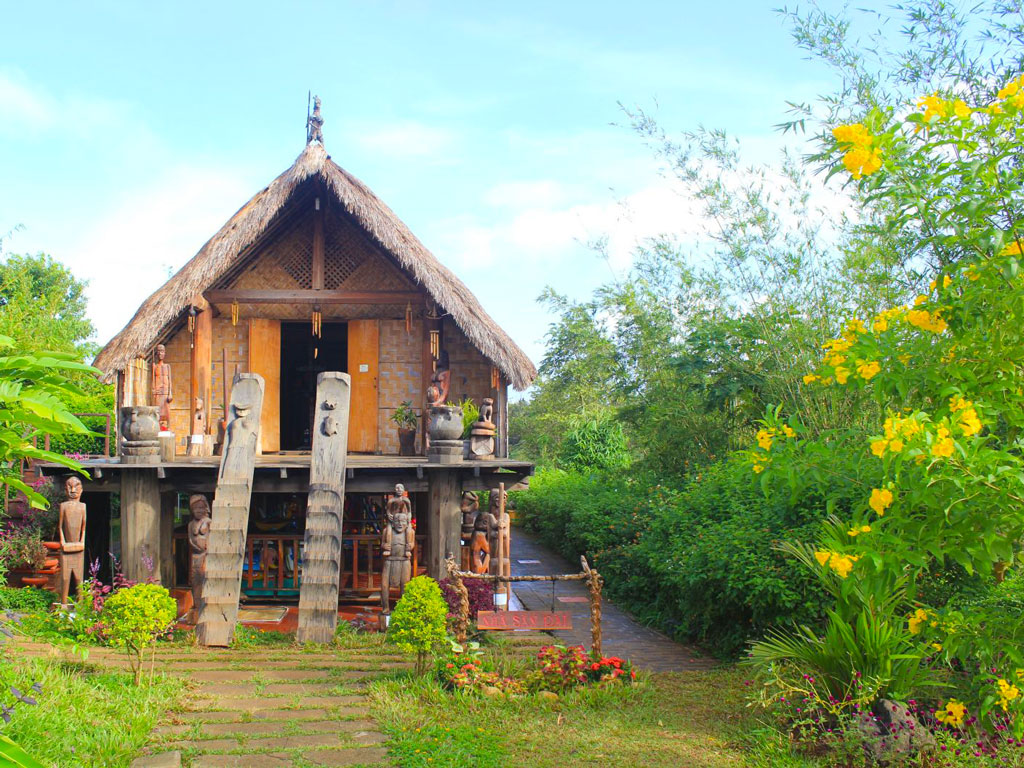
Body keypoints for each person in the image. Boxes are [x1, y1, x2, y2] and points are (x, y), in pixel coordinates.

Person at [380, 484, 414, 612]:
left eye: (402, 523)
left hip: (404, 561)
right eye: (397, 523)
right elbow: (383, 544)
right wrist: (385, 545)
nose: (400, 525)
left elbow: (409, 510)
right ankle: (386, 607)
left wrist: (410, 546)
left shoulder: (409, 532)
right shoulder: (387, 530)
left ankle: (403, 608)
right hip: (389, 561)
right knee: (384, 585)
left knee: (405, 585)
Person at [58, 476, 86, 605]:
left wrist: (82, 541)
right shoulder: (63, 506)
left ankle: (80, 604)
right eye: (69, 486)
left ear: (81, 489)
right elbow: (60, 526)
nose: (73, 490)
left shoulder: (83, 507)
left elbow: (83, 528)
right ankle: (63, 603)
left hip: (78, 548)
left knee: (79, 578)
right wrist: (63, 542)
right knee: (65, 578)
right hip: (66, 547)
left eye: (76, 486)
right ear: (65, 489)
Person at [187, 494, 212, 622]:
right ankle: (197, 606)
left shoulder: (208, 522)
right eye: (196, 508)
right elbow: (191, 539)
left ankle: (206, 606)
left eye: (201, 507)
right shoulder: (191, 524)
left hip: (206, 555)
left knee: (205, 580)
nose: (199, 511)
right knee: (196, 581)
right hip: (196, 555)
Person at [152, 344, 173, 431]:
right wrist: (153, 391)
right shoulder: (155, 366)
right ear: (156, 354)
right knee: (158, 412)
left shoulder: (167, 366)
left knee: (167, 413)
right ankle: (158, 428)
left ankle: (168, 428)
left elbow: (170, 380)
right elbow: (153, 380)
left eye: (162, 351)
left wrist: (170, 393)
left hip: (165, 393)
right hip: (158, 393)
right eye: (159, 352)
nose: (161, 354)